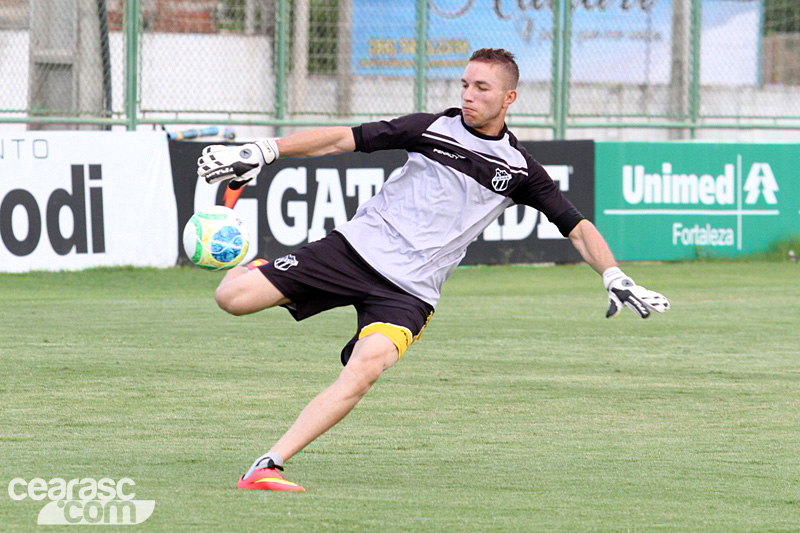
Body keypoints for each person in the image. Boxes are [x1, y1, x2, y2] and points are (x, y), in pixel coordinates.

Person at [196, 48, 669, 492]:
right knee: (230, 301)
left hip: (409, 294)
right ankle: (257, 263)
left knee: (364, 371)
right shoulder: (429, 129)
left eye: (481, 87)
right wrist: (265, 150)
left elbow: (577, 225)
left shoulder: (521, 169)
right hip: (353, 251)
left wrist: (613, 274)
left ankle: (267, 465)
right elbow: (342, 139)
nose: (467, 94)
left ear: (509, 98)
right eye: (464, 84)